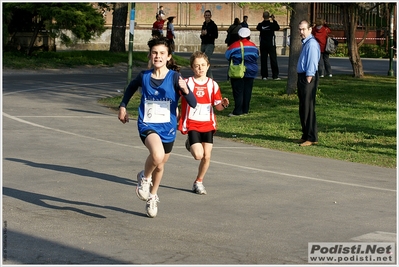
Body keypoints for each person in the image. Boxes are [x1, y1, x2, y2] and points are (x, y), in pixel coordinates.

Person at [118, 37, 197, 218]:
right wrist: (123, 105)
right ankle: (145, 179)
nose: (158, 56)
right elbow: (131, 87)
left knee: (160, 165)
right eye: (154, 53)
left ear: (169, 56)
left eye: (162, 53)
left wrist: (185, 90)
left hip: (168, 127)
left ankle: (152, 196)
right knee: (157, 155)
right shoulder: (144, 76)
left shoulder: (175, 78)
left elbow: (193, 103)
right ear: (150, 55)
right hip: (147, 124)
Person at [178, 51, 229, 195]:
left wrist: (223, 104)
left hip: (207, 124)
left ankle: (199, 181)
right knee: (198, 155)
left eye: (202, 65)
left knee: (207, 156)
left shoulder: (212, 85)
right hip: (192, 123)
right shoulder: (187, 83)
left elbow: (217, 106)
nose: (200, 68)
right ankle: (190, 143)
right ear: (192, 68)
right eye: (196, 66)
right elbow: (176, 96)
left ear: (208, 66)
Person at [296, 20, 320, 147]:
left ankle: (311, 136)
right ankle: (306, 134)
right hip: (303, 77)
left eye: (304, 29)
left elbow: (312, 62)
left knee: (308, 108)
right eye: (300, 29)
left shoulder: (311, 44)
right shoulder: (306, 43)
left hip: (307, 78)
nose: (301, 32)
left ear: (310, 29)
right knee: (303, 107)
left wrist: (309, 77)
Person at [224, 27, 259, 116]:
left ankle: (238, 110)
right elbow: (256, 55)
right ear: (249, 36)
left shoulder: (234, 46)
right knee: (247, 91)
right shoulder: (253, 46)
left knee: (238, 91)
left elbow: (227, 55)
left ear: (239, 35)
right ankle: (245, 110)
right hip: (251, 71)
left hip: (238, 71)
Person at [256, 11, 280, 80]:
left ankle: (264, 76)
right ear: (269, 16)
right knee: (273, 59)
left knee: (263, 60)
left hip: (263, 44)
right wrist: (273, 20)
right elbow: (277, 27)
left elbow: (258, 28)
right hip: (271, 44)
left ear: (263, 16)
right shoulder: (272, 25)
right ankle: (275, 75)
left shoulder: (260, 25)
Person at [200, 10, 218, 79]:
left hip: (210, 44)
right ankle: (204, 77)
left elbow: (216, 35)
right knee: (201, 60)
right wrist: (202, 34)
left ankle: (210, 78)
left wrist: (208, 34)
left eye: (208, 15)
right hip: (203, 43)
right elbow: (201, 36)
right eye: (206, 15)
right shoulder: (204, 24)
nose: (207, 16)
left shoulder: (213, 25)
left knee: (206, 60)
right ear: (204, 16)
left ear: (210, 16)